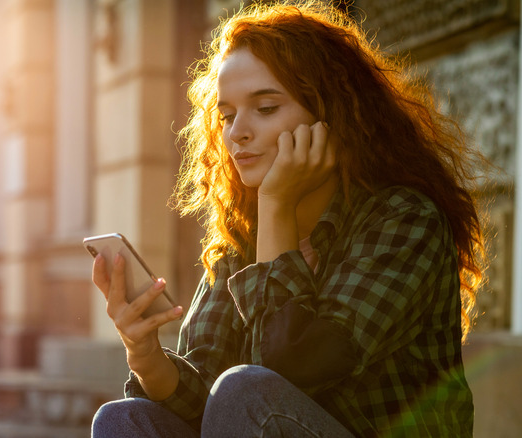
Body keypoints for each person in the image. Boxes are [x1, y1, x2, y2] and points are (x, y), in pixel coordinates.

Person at [91, 2, 487, 436]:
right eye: (227, 116)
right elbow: (204, 404)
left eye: (265, 108)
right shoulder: (237, 243)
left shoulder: (403, 220)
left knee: (246, 391)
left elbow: (292, 364)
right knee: (122, 419)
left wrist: (277, 202)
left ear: (331, 114)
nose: (237, 132)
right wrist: (146, 355)